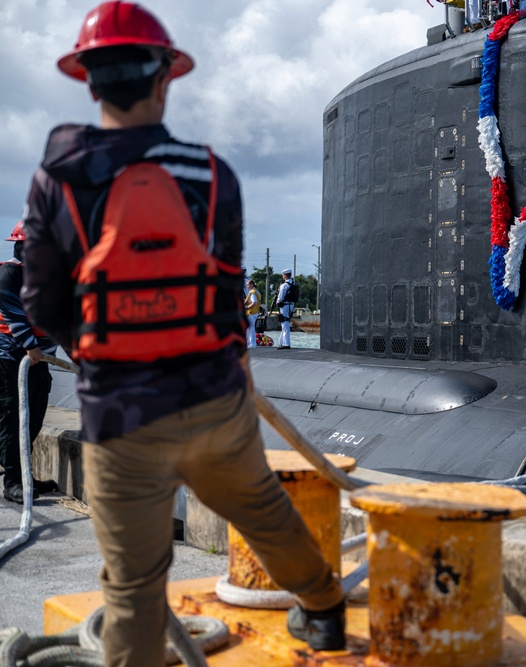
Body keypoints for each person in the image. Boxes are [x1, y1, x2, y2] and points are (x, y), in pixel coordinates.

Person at [20, 3, 345, 663]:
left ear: (89, 80)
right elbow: (227, 292)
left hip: (119, 412)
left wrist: (90, 347)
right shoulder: (211, 173)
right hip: (213, 401)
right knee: (265, 513)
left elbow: (39, 300)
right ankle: (325, 607)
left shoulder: (56, 177)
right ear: (166, 76)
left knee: (135, 585)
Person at [0, 220, 59, 504]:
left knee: (33, 418)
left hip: (39, 360)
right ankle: (12, 482)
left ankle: (25, 477)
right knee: (14, 419)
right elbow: (13, 313)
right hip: (13, 358)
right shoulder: (11, 273)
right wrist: (31, 346)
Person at [275, 268, 296, 349]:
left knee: (284, 323)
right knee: (285, 323)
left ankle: (286, 344)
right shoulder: (293, 284)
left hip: (284, 305)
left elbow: (280, 297)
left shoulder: (284, 285)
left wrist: (277, 303)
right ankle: (281, 342)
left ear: (285, 275)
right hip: (291, 305)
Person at [244, 278, 261, 348]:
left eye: (248, 285)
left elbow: (254, 302)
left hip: (251, 312)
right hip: (254, 312)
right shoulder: (256, 291)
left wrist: (247, 307)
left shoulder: (252, 292)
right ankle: (249, 343)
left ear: (251, 284)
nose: (247, 287)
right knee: (250, 328)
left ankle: (252, 343)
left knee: (251, 328)